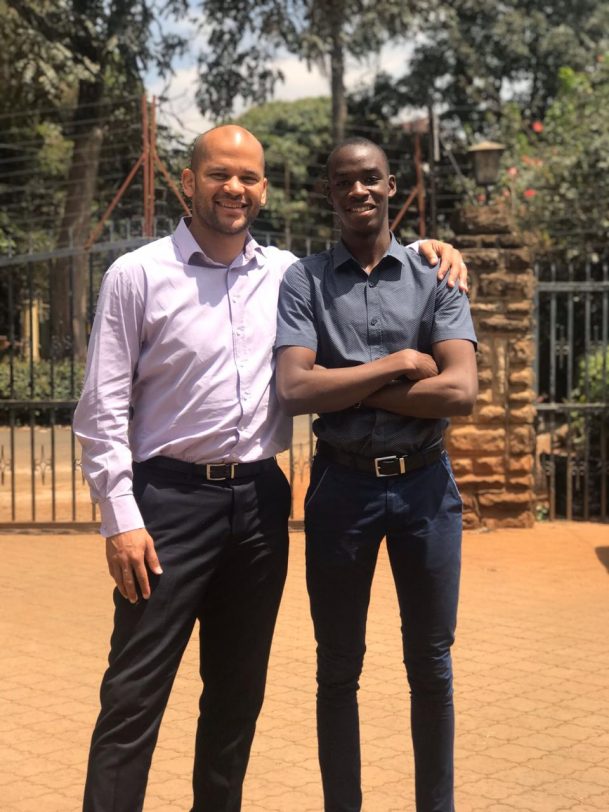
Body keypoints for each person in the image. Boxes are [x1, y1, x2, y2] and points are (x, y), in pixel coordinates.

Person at [73, 124, 470, 812]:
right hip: (166, 505)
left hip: (259, 504)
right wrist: (119, 519)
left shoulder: (285, 273)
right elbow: (101, 408)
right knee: (134, 693)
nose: (234, 188)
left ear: (264, 189)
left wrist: (433, 249)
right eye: (219, 174)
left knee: (235, 698)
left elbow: (376, 267)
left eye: (249, 177)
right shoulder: (137, 275)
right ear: (188, 182)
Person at [275, 137, 478, 812]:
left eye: (370, 179)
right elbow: (295, 390)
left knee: (431, 664)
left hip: (425, 486)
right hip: (342, 488)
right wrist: (399, 365)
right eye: (343, 182)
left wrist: (347, 386)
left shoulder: (434, 273)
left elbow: (459, 391)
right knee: (337, 666)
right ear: (328, 194)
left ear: (391, 186)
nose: (358, 191)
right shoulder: (303, 281)